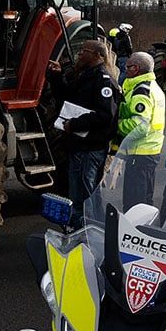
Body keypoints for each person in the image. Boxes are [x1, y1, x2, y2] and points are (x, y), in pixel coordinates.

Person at [46, 40, 118, 206]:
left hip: (90, 148)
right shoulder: (84, 76)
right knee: (76, 194)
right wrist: (57, 76)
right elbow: (67, 97)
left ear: (97, 55)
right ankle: (78, 221)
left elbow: (105, 115)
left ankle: (86, 222)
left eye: (84, 51)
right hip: (78, 145)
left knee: (85, 196)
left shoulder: (103, 80)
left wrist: (74, 124)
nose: (79, 54)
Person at [113, 52, 166, 209]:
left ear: (136, 69)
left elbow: (140, 126)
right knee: (144, 200)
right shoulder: (152, 87)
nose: (125, 70)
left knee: (134, 203)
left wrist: (116, 125)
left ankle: (135, 224)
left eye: (127, 67)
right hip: (149, 151)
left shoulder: (141, 91)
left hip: (140, 153)